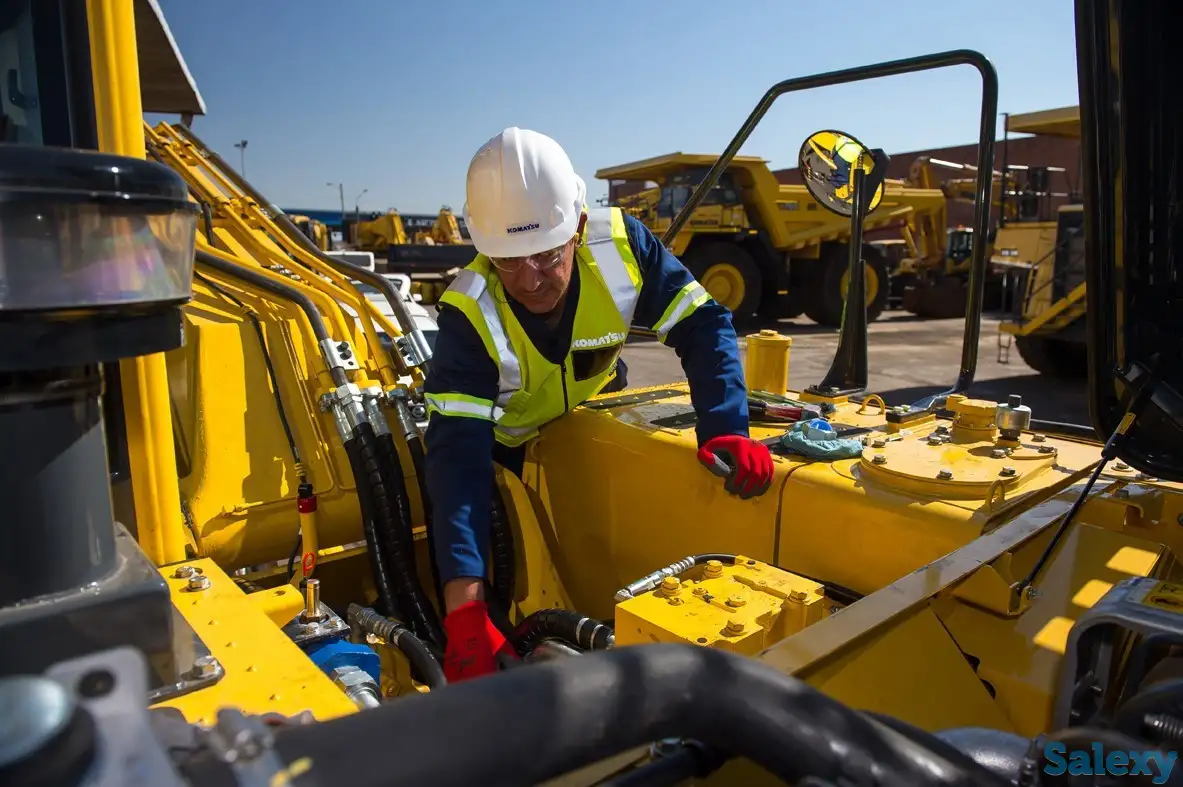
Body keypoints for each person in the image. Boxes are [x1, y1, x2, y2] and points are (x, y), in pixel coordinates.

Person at [423, 127, 774, 682]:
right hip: (508, 455)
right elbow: (457, 460)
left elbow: (703, 323)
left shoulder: (621, 249)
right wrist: (464, 610)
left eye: (546, 255)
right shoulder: (469, 315)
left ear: (579, 227)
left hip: (596, 409)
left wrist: (726, 425)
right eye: (508, 261)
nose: (529, 280)